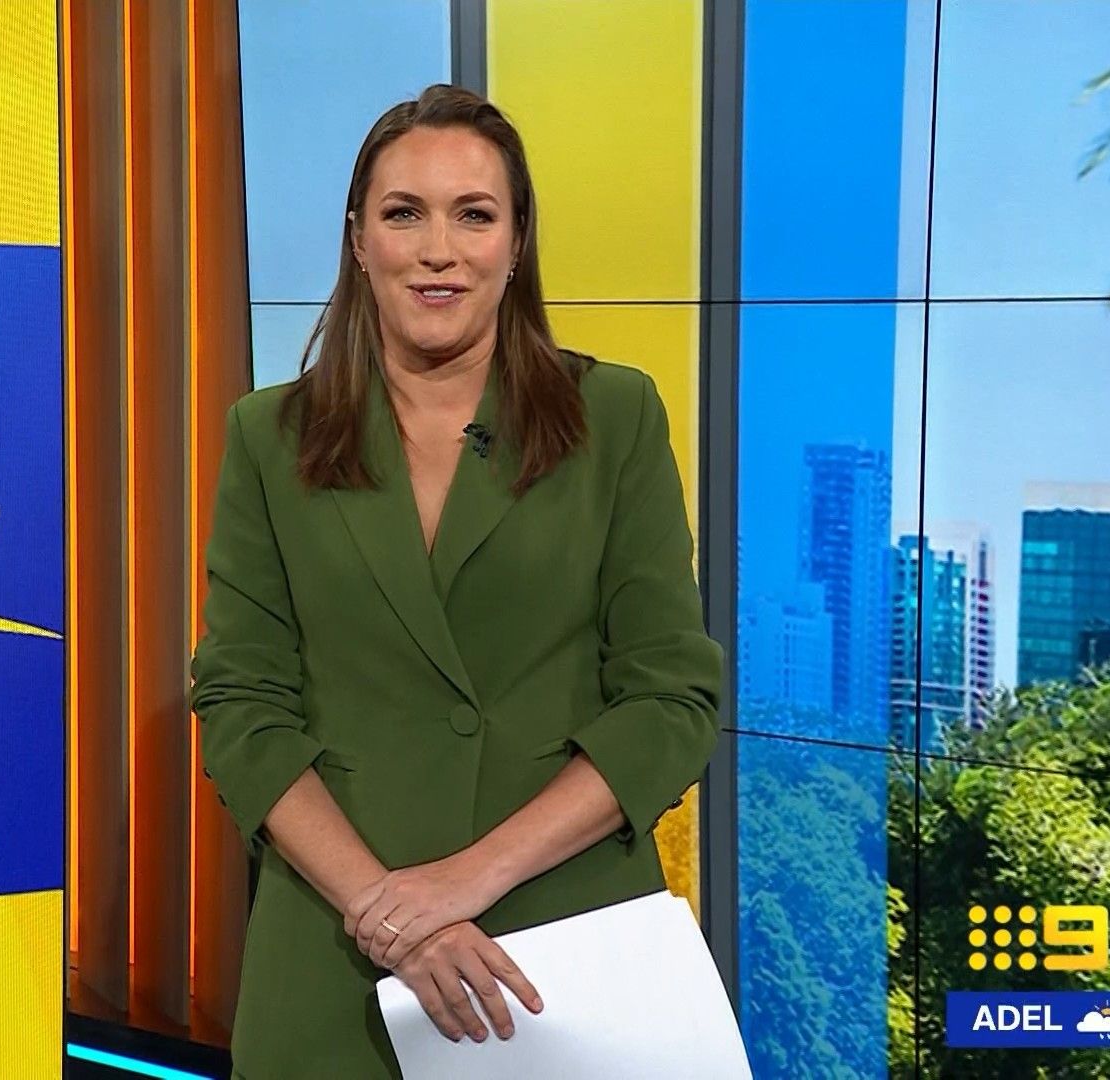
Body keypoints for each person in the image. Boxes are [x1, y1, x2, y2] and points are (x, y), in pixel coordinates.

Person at [189, 83, 723, 1078]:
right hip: (336, 958)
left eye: (474, 215)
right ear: (359, 240)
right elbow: (241, 705)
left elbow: (670, 701)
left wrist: (462, 883)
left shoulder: (615, 418)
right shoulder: (269, 436)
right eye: (405, 214)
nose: (439, 250)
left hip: (559, 957)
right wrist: (386, 912)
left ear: (516, 244)